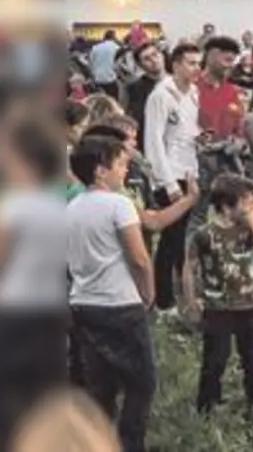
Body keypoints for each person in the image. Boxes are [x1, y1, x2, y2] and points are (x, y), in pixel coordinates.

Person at [65, 134, 156, 452]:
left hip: (83, 303)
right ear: (100, 170)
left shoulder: (72, 207)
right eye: (120, 164)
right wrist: (148, 293)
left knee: (100, 387)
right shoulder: (119, 204)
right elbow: (139, 258)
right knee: (141, 383)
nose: (125, 171)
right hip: (120, 304)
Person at [0, 118, 71, 451]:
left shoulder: (11, 207)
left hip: (12, 312)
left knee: (3, 396)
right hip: (49, 312)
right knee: (42, 399)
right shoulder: (57, 205)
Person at [182, 174, 253, 414]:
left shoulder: (249, 230)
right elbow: (190, 268)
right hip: (218, 307)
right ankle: (207, 405)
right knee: (215, 360)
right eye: (246, 202)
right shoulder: (204, 234)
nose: (251, 207)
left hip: (249, 304)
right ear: (226, 206)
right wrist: (191, 300)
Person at [142, 41, 202, 315]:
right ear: (176, 64)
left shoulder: (194, 93)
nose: (196, 68)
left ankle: (180, 289)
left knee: (181, 239)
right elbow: (153, 141)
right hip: (169, 174)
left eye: (198, 63)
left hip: (189, 170)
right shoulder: (161, 95)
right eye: (191, 63)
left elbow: (189, 131)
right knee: (170, 238)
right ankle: (163, 300)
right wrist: (167, 183)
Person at [89, 31, 122, 100]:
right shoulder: (117, 48)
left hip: (98, 79)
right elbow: (119, 65)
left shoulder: (95, 47)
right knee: (112, 101)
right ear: (114, 37)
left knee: (99, 101)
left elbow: (91, 63)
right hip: (111, 79)